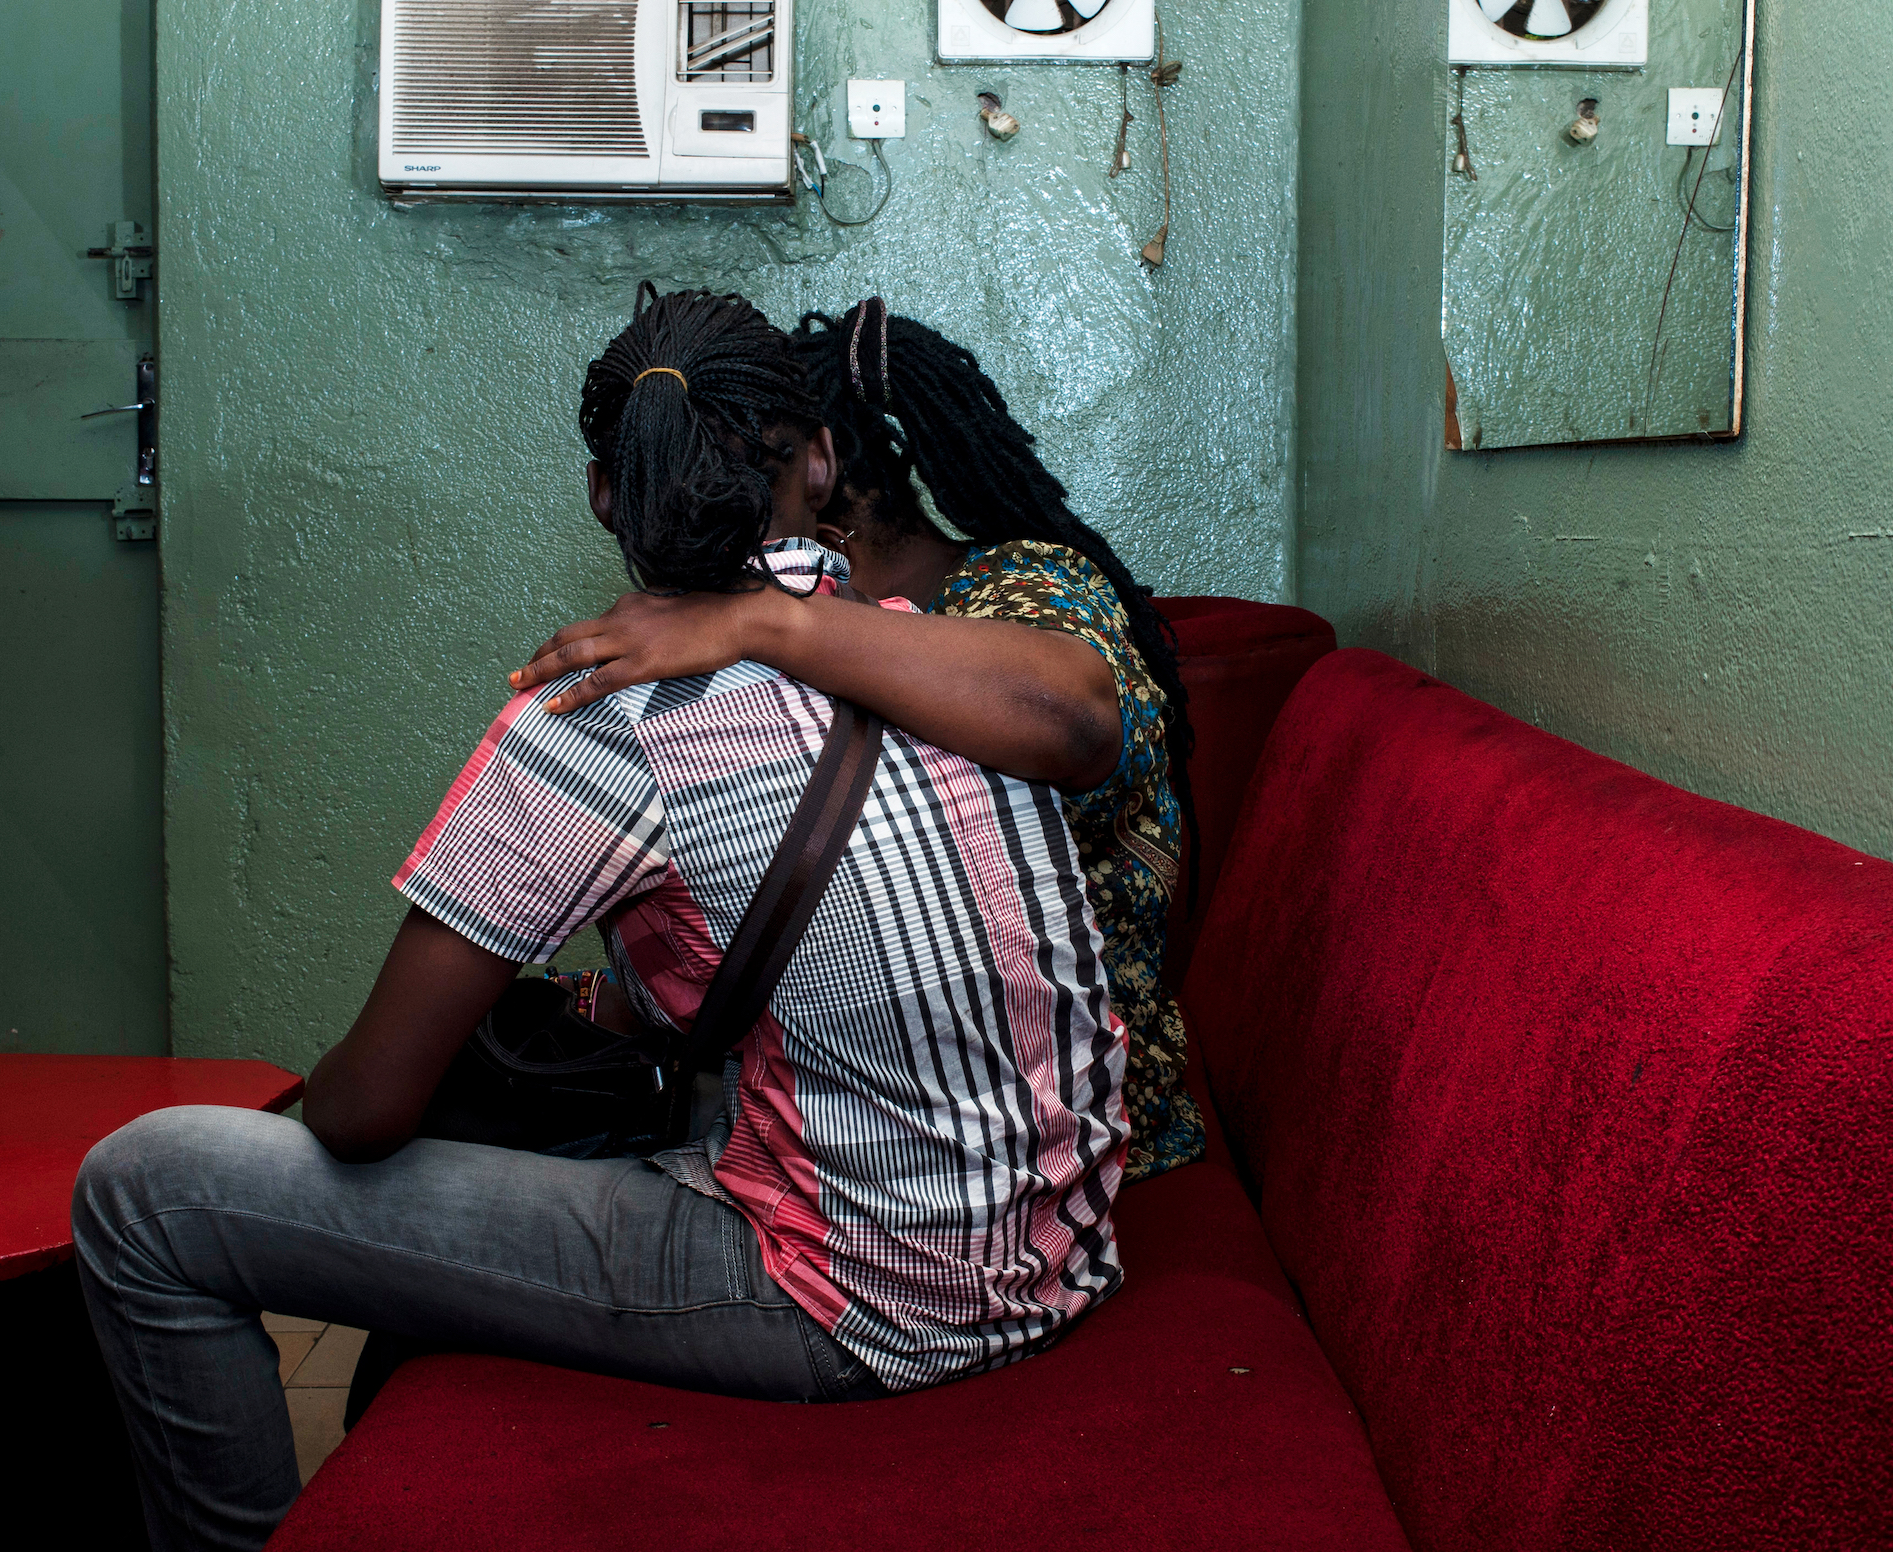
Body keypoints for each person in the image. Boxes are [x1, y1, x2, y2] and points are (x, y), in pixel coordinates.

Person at [71, 285, 1129, 1552]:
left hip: (853, 1303)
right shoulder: (929, 653)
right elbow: (1080, 713)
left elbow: (361, 1113)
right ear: (821, 461)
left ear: (601, 497)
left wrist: (747, 623)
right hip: (1049, 1263)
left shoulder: (595, 725)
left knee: (145, 1189)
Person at [516, 297, 1204, 1180]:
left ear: (817, 471)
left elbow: (1071, 718)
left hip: (1061, 1141)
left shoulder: (1021, 586)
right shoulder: (751, 637)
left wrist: (774, 626)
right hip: (866, 1114)